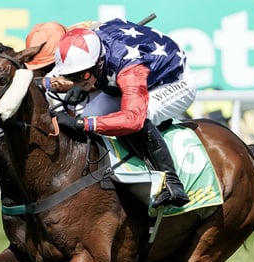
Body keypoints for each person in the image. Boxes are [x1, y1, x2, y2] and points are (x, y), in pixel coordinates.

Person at [52, 19, 196, 208]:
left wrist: (81, 125)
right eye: (72, 76)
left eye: (82, 75)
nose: (77, 80)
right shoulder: (88, 36)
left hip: (173, 82)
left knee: (142, 118)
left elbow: (132, 120)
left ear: (99, 62)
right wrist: (81, 84)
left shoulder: (130, 70)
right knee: (88, 114)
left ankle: (171, 182)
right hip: (123, 79)